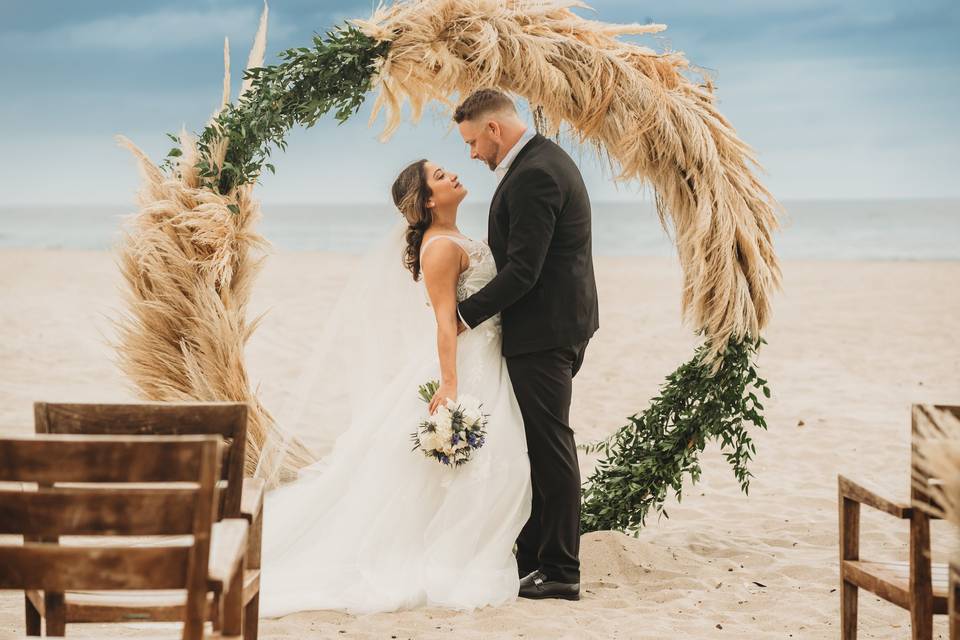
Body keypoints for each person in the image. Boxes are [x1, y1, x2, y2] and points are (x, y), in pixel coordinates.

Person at [258, 157, 533, 615]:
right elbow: (446, 322)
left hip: (489, 355)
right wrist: (449, 386)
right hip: (468, 363)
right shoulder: (440, 247)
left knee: (492, 460)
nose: (452, 175)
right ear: (427, 200)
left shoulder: (452, 237)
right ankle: (452, 551)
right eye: (440, 176)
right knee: (479, 461)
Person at [454, 88, 599, 600]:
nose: (471, 153)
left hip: (545, 331)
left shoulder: (535, 173)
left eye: (473, 141)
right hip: (554, 325)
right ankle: (535, 560)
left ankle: (561, 571)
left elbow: (524, 272)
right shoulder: (539, 161)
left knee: (550, 446)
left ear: (494, 129)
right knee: (536, 443)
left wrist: (462, 315)